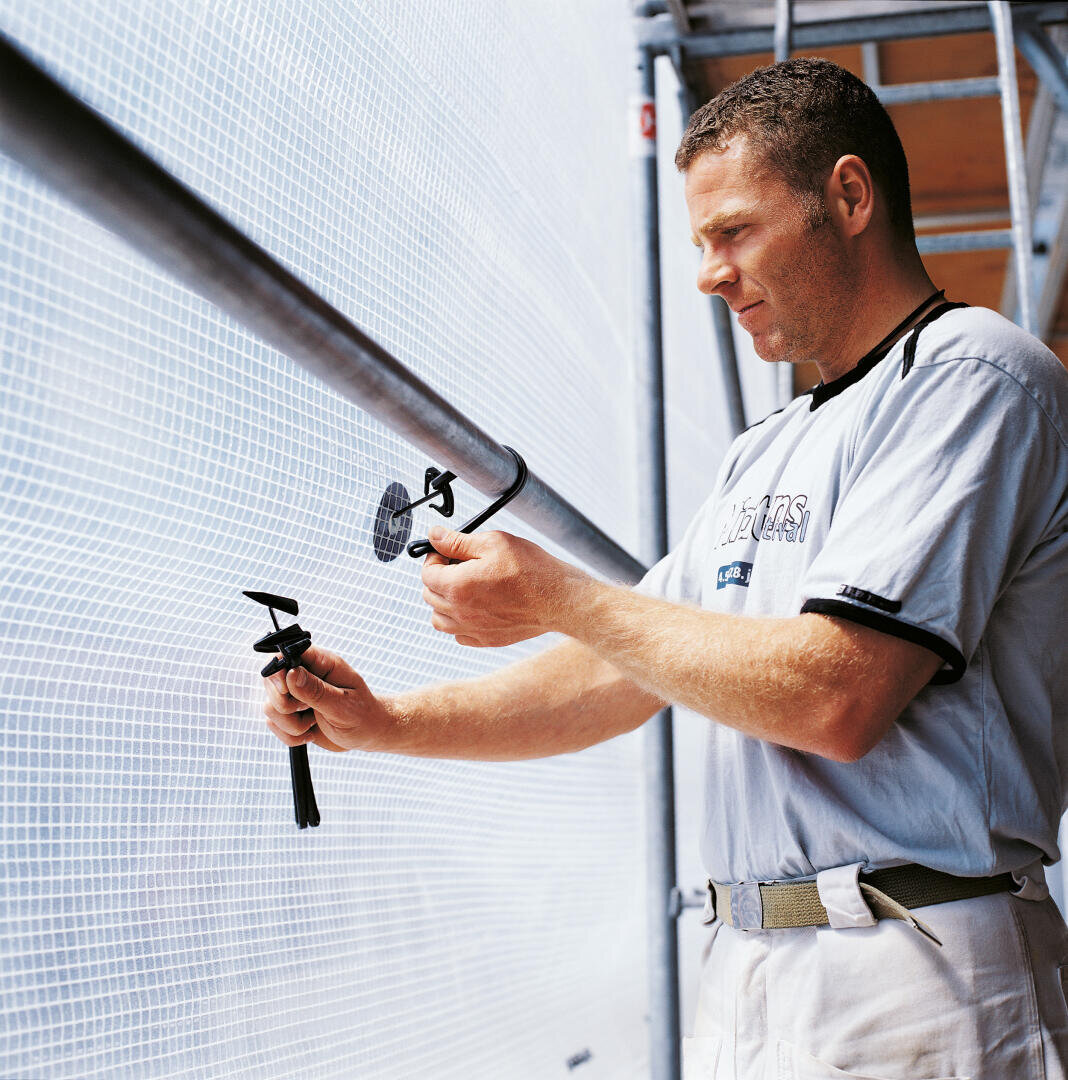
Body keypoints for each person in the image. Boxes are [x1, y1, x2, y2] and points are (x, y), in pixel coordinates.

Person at [262, 58, 1068, 1079]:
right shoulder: (762, 448)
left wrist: (560, 594)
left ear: (849, 196)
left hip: (914, 967)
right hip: (748, 968)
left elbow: (838, 694)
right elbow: (621, 671)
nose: (707, 273)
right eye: (698, 244)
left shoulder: (974, 377)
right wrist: (388, 724)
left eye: (734, 232)